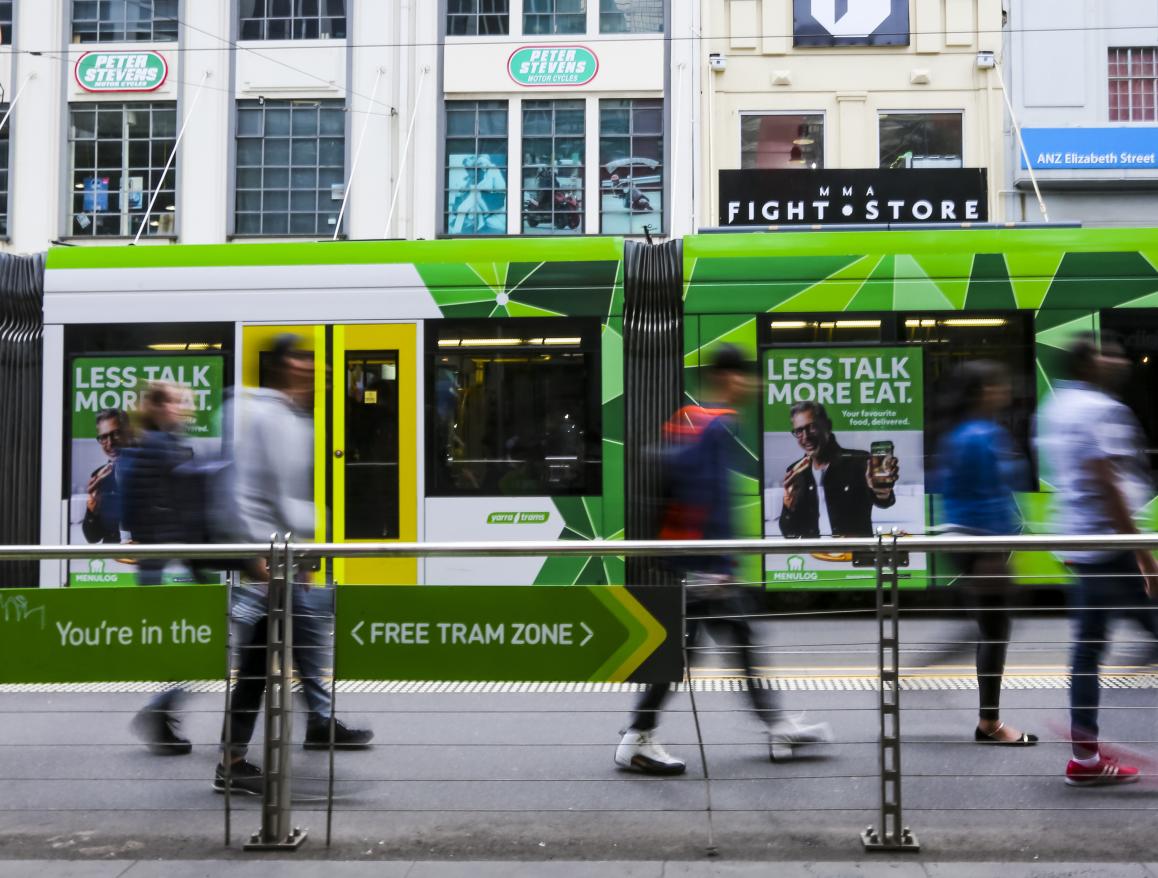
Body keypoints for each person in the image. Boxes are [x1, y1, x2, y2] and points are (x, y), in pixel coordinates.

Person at [614, 345, 833, 774]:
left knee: (734, 642)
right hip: (704, 569)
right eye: (747, 375)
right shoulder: (715, 429)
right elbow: (705, 500)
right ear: (729, 379)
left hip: (700, 565)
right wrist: (712, 565)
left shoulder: (695, 423)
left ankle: (776, 725)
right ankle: (637, 737)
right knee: (684, 654)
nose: (754, 384)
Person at [215, 335, 373, 797]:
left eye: (310, 360)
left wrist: (302, 555)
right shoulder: (265, 416)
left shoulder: (295, 417)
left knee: (276, 656)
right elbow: (247, 491)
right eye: (300, 359)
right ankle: (239, 759)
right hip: (271, 560)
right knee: (263, 662)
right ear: (282, 366)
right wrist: (258, 556)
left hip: (288, 558)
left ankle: (309, 727)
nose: (309, 367)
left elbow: (289, 495)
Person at [1037, 331, 1158, 786]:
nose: (1119, 359)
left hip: (1083, 548)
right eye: (1109, 353)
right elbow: (1107, 485)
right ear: (1089, 363)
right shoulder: (1101, 409)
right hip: (1111, 549)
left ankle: (1084, 758)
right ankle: (1085, 755)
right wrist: (1146, 560)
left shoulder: (1056, 406)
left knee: (1086, 652)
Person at [934, 361, 1037, 746]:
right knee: (995, 629)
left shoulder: (963, 433)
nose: (1004, 390)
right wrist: (994, 554)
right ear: (982, 392)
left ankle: (988, 719)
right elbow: (986, 498)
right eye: (997, 384)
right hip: (984, 544)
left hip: (976, 543)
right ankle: (989, 723)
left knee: (993, 627)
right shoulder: (980, 435)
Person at [122, 382, 206, 755]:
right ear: (156, 407)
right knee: (192, 645)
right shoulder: (160, 446)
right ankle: (159, 711)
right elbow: (177, 505)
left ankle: (162, 710)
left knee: (187, 646)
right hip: (170, 562)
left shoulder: (149, 444)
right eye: (175, 402)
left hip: (163, 561)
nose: (182, 409)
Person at [778, 401, 898, 539]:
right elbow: (788, 533)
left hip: (854, 556)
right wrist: (788, 507)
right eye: (799, 431)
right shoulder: (796, 472)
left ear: (827, 426)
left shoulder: (859, 462)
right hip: (814, 558)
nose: (805, 437)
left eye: (811, 427)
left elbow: (884, 502)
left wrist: (882, 490)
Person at [82, 408, 130, 544]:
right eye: (103, 437)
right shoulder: (98, 476)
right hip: (112, 558)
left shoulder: (148, 468)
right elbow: (92, 537)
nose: (110, 443)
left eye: (116, 434)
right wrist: (92, 510)